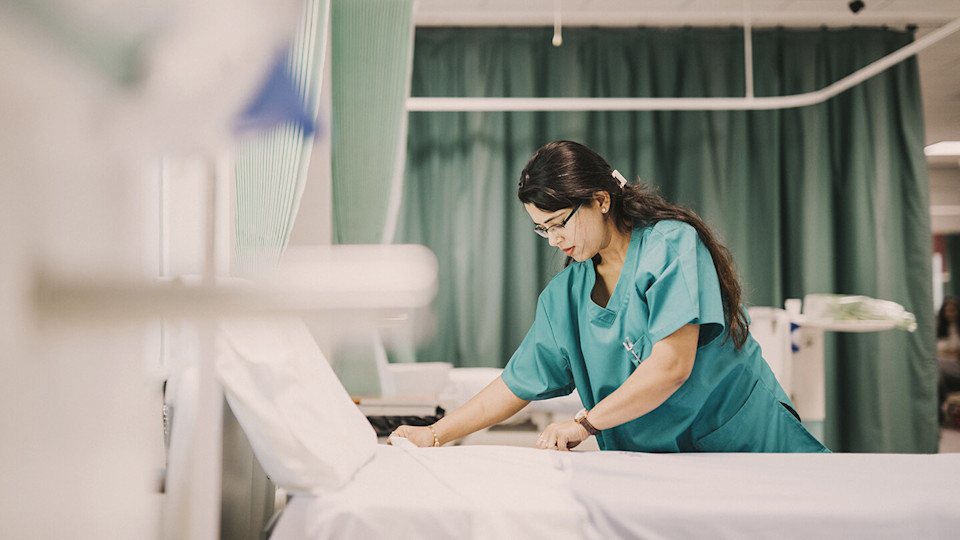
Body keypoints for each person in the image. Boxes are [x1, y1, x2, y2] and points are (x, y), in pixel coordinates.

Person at [392, 140, 827, 453]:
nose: (552, 239)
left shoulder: (671, 246)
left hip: (743, 440)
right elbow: (514, 383)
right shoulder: (566, 295)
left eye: (559, 223)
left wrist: (585, 424)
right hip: (661, 465)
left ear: (600, 200)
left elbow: (671, 366)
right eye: (541, 229)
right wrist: (434, 433)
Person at [936, 297, 960, 425]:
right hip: (942, 367)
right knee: (937, 373)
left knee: (938, 369)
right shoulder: (939, 330)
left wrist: (948, 352)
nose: (950, 313)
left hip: (956, 368)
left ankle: (942, 407)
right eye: (947, 310)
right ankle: (940, 410)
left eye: (953, 310)